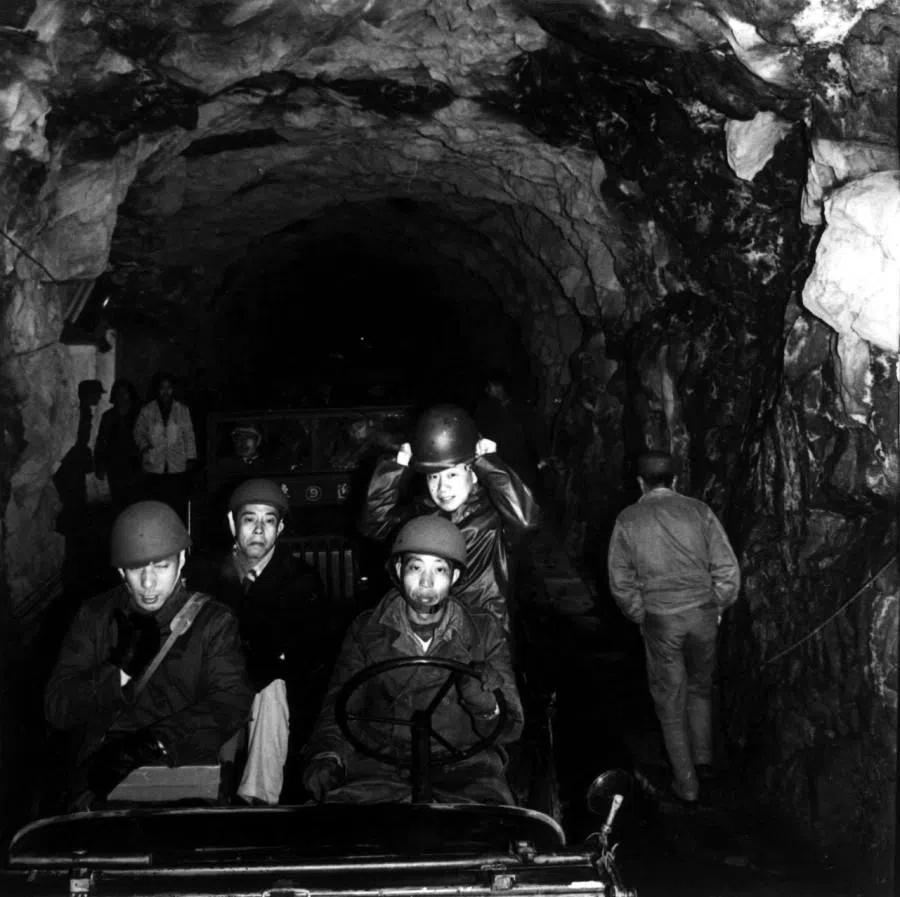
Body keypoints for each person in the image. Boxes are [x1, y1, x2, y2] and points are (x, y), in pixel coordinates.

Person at [44, 500, 253, 811]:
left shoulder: (212, 622)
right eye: (136, 568)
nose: (149, 582)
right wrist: (119, 674)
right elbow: (57, 708)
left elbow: (229, 701)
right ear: (120, 570)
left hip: (182, 772)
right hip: (104, 779)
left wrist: (155, 742)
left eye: (161, 566)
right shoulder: (96, 617)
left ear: (182, 560)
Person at [301, 516, 524, 805]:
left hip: (466, 768)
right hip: (381, 768)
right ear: (398, 569)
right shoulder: (366, 630)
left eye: (440, 569)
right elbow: (339, 707)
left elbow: (511, 727)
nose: (427, 582)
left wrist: (486, 706)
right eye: (416, 567)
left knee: (494, 832)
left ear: (454, 577)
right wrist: (327, 755)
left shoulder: (484, 632)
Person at [607, 450, 741, 803]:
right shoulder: (699, 511)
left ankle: (687, 784)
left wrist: (641, 614)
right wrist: (717, 605)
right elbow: (728, 570)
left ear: (640, 482)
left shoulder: (628, 519)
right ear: (675, 481)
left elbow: (620, 582)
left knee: (670, 699)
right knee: (699, 688)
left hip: (662, 620)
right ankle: (704, 764)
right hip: (702, 615)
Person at [188, 478, 329, 805]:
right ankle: (202, 793)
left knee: (271, 689)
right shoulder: (204, 575)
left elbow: (305, 654)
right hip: (213, 679)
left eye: (269, 521)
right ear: (231, 523)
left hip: (274, 685)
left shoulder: (300, 580)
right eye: (249, 519)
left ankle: (258, 798)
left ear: (280, 529)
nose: (259, 530)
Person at [358, 404, 540, 629]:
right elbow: (375, 524)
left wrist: (490, 464)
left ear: (473, 474)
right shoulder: (420, 516)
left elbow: (525, 520)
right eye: (434, 477)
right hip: (424, 633)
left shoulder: (493, 520)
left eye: (452, 474)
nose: (442, 487)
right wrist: (397, 466)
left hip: (482, 637)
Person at [473, 371, 551, 494]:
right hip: (498, 462)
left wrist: (543, 456)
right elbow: (479, 433)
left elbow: (536, 431)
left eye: (491, 386)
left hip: (522, 463)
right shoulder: (485, 409)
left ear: (500, 386)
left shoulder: (521, 408)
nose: (488, 389)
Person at [134, 372, 197, 521]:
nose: (165, 392)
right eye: (162, 388)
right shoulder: (147, 410)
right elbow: (138, 432)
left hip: (177, 468)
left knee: (177, 507)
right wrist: (144, 447)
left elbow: (189, 435)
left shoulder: (182, 410)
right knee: (157, 506)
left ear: (174, 389)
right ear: (156, 390)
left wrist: (191, 458)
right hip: (154, 467)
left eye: (169, 388)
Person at [94, 378, 142, 513]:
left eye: (125, 393)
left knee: (135, 502)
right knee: (118, 501)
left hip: (134, 465)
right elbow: (102, 441)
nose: (122, 397)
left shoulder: (139, 415)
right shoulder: (109, 416)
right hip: (115, 466)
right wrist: (99, 465)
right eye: (119, 393)